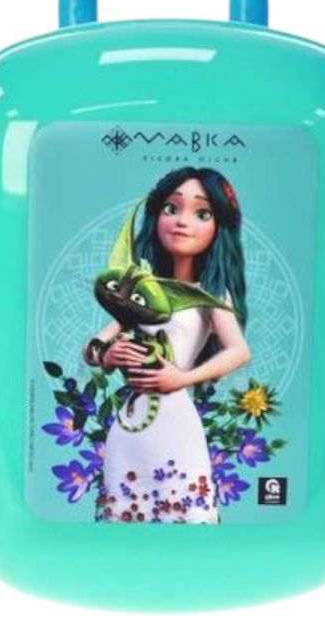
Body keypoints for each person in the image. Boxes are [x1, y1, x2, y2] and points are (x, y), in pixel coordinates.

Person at [85, 167, 250, 523]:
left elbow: (239, 351)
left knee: (187, 513)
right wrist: (107, 354)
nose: (182, 222)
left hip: (175, 419)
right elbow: (95, 346)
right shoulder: (142, 289)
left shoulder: (209, 294)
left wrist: (182, 378)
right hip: (130, 424)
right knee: (123, 515)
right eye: (171, 209)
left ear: (219, 227)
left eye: (202, 213)